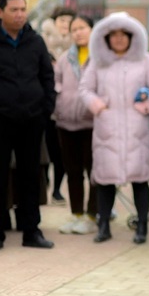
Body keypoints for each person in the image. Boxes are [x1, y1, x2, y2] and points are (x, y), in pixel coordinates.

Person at [79, 12, 149, 245]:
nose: (118, 39)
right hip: (107, 129)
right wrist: (98, 106)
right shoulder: (98, 62)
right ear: (105, 38)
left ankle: (142, 226)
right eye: (113, 35)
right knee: (104, 181)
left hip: (136, 129)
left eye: (123, 35)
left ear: (132, 37)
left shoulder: (144, 60)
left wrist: (147, 106)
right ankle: (104, 225)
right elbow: (85, 88)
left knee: (140, 179)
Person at [0, 0, 56, 252]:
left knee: (30, 175)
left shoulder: (35, 41)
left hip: (32, 119)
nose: (19, 14)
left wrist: (46, 107)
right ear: (0, 11)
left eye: (23, 9)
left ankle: (31, 231)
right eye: (14, 10)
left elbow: (47, 76)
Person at [53, 14, 97, 234]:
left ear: (92, 29)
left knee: (95, 172)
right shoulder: (64, 58)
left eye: (83, 28)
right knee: (73, 171)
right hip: (66, 123)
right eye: (75, 29)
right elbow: (56, 84)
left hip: (92, 124)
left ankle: (92, 215)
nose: (78, 32)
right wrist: (59, 104)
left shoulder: (100, 57)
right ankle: (76, 213)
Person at [42, 5, 75, 206]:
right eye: (62, 20)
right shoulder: (41, 42)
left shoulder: (78, 45)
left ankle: (56, 190)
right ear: (54, 22)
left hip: (67, 107)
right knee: (46, 149)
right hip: (45, 107)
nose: (65, 24)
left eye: (69, 21)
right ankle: (44, 183)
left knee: (63, 153)